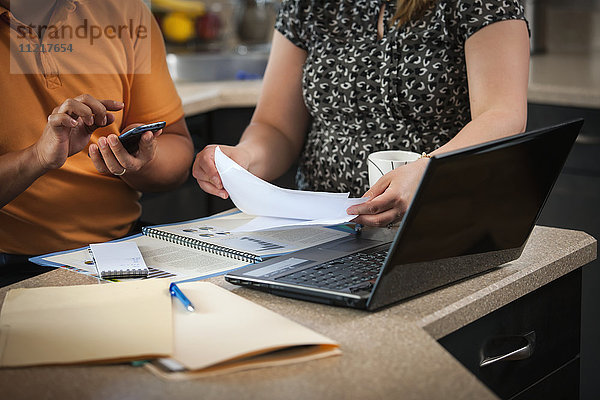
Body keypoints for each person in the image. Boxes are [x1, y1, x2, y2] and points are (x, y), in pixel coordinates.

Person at [193, 0, 529, 227]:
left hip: (439, 222)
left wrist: (427, 171)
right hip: (321, 232)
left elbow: (502, 114)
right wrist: (243, 160)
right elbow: (275, 126)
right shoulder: (309, 6)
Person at [0, 0, 194, 278]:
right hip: (14, 265)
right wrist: (38, 158)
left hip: (123, 246)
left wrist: (140, 162)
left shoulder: (125, 10)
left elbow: (177, 150)